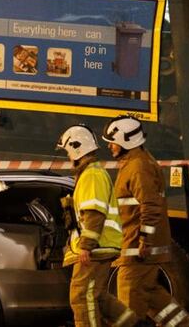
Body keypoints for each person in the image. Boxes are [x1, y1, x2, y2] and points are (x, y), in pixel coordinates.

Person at [102, 115, 189, 327]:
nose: (110, 146)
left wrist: (144, 240)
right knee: (150, 294)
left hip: (138, 249)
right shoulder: (135, 163)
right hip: (135, 244)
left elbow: (150, 206)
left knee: (129, 303)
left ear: (126, 141)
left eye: (113, 142)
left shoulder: (138, 167)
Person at [56, 125, 139, 327]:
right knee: (98, 296)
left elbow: (94, 212)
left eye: (68, 151)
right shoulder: (91, 173)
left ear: (77, 148)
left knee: (82, 296)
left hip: (95, 248)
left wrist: (86, 245)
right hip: (100, 246)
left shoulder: (91, 175)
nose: (68, 157)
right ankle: (132, 324)